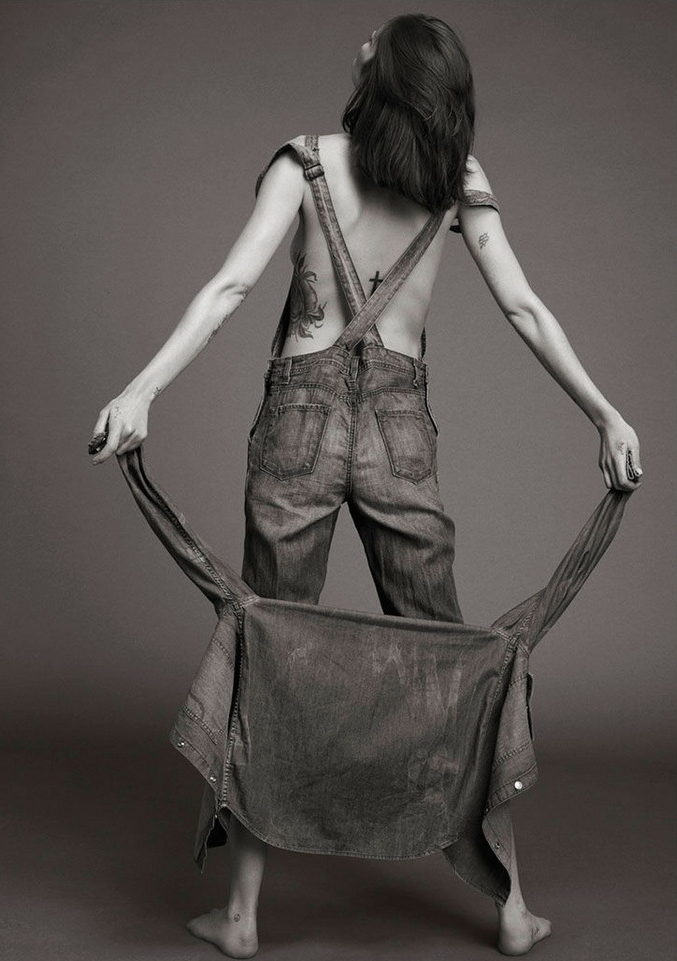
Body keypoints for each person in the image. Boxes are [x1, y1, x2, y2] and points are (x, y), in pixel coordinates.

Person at [89, 14, 643, 958]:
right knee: (452, 665)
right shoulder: (459, 180)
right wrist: (606, 413)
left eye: (374, 41)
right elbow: (523, 306)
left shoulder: (303, 163)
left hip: (297, 425)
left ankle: (242, 917)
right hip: (398, 428)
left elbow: (229, 289)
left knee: (271, 647)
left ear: (374, 72)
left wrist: (142, 388)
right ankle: (511, 910)